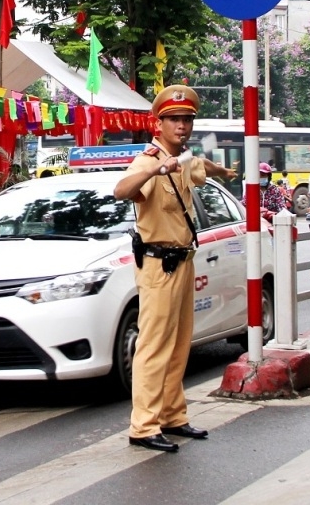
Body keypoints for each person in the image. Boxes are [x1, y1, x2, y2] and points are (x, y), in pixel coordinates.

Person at [113, 84, 236, 453]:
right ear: (160, 123)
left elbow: (202, 167)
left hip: (183, 260)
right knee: (154, 346)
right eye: (175, 120)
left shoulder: (182, 159)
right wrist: (153, 171)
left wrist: (224, 172)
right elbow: (121, 190)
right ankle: (144, 424)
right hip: (158, 265)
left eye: (187, 120)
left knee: (180, 344)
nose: (182, 126)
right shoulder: (149, 159)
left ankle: (172, 415)